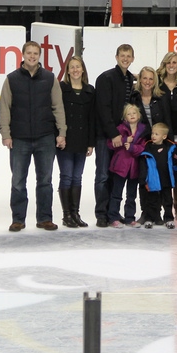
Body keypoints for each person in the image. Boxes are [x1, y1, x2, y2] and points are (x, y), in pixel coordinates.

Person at [0, 41, 67, 232]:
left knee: (45, 180)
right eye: (29, 53)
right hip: (19, 138)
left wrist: (61, 132)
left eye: (35, 53)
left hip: (45, 137)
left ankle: (44, 218)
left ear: (39, 56)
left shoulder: (49, 78)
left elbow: (58, 106)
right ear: (22, 55)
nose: (32, 56)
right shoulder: (11, 79)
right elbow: (5, 107)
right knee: (18, 181)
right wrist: (6, 133)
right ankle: (18, 219)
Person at [94, 44, 136, 228]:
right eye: (122, 55)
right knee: (103, 174)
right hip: (107, 136)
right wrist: (114, 133)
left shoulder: (129, 79)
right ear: (116, 57)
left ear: (132, 58)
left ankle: (113, 213)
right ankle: (102, 214)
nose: (125, 59)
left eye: (128, 56)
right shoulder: (106, 78)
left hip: (122, 136)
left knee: (115, 175)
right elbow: (103, 108)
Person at [58, 55, 96, 228]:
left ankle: (75, 213)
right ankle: (66, 215)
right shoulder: (61, 88)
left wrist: (90, 143)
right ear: (67, 70)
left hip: (82, 140)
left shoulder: (89, 90)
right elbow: (57, 114)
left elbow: (91, 119)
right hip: (65, 140)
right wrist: (60, 135)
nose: (75, 70)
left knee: (77, 177)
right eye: (71, 67)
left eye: (78, 67)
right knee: (66, 176)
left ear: (83, 69)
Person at [157, 51, 177, 221]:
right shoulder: (158, 85)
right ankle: (163, 207)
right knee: (162, 171)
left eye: (174, 62)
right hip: (162, 135)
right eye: (168, 62)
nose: (171, 65)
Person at [108, 104, 146, 228]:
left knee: (131, 194)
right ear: (125, 117)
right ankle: (113, 217)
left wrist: (133, 147)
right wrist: (124, 140)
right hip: (120, 167)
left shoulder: (143, 130)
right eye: (129, 114)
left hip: (134, 167)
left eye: (134, 113)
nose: (132, 116)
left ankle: (130, 218)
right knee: (116, 193)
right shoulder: (120, 128)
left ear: (139, 115)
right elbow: (110, 144)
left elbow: (144, 147)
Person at [138, 122, 177, 228]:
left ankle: (168, 218)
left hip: (166, 179)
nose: (153, 136)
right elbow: (143, 165)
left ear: (164, 136)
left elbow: (175, 162)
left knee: (167, 200)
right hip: (153, 180)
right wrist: (143, 178)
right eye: (153, 133)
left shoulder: (170, 148)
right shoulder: (147, 149)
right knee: (152, 200)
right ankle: (151, 218)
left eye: (157, 134)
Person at [131, 66, 170, 138]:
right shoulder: (133, 98)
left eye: (151, 79)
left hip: (159, 141)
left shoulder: (162, 98)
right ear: (140, 80)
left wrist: (169, 143)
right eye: (145, 78)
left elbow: (167, 121)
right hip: (140, 141)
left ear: (154, 81)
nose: (147, 82)